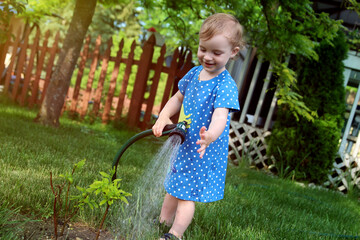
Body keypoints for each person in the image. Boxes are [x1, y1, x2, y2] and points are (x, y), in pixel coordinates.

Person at [152, 12, 245, 240]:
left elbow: (220, 117)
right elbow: (177, 98)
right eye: (203, 49)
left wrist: (210, 136)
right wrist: (164, 116)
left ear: (233, 53)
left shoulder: (225, 85)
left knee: (186, 195)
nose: (208, 57)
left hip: (204, 148)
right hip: (185, 144)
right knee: (173, 185)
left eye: (216, 52)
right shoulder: (194, 73)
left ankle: (176, 233)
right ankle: (162, 222)